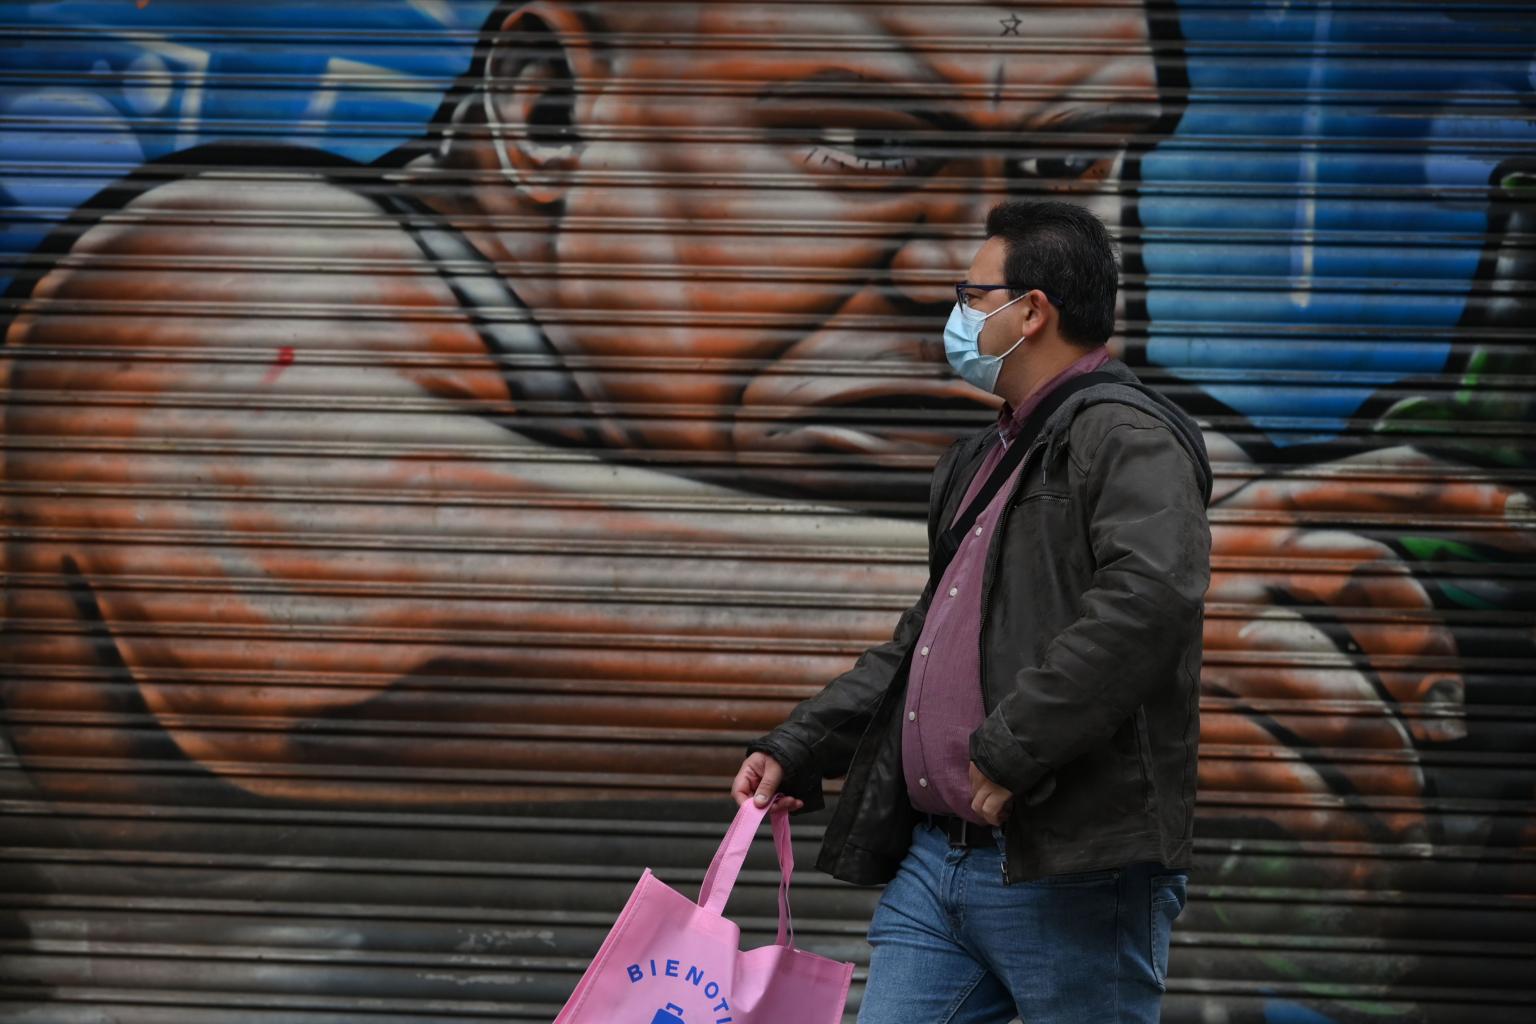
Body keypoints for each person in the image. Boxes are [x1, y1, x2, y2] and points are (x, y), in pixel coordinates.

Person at [732, 199, 1214, 1023]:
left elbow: (1150, 599)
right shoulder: (990, 454)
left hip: (1068, 874)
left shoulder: (1124, 437)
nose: (956, 312)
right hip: (937, 865)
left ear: (1032, 312)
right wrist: (800, 744)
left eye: (972, 294)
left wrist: (1011, 749)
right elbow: (925, 642)